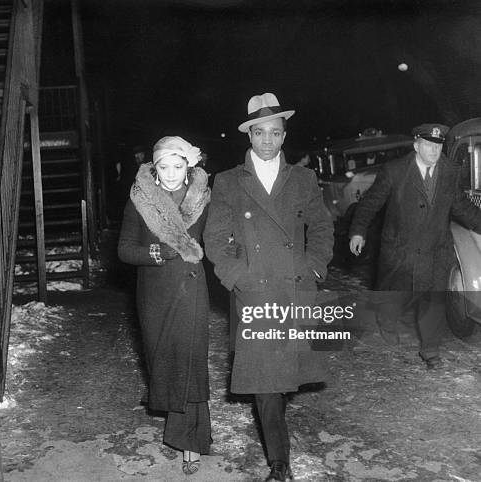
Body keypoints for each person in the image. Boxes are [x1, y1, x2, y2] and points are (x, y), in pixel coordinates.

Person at [204, 93, 334, 481]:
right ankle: (280, 462)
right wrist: (237, 277)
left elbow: (322, 227)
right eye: (259, 132)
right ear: (249, 135)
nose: (266, 140)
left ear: (283, 135)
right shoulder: (228, 182)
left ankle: (279, 442)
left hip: (295, 287)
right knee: (266, 382)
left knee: (285, 376)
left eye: (274, 133)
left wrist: (314, 267)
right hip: (255, 291)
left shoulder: (303, 178)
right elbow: (215, 238)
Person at [349, 123, 481, 369]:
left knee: (433, 301)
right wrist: (358, 232)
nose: (434, 151)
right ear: (416, 145)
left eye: (438, 145)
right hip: (400, 249)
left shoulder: (450, 172)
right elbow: (370, 203)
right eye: (429, 145)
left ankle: (430, 352)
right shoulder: (395, 171)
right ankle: (386, 321)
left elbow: (462, 207)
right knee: (394, 297)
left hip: (436, 249)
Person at [117, 136, 212, 475]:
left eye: (178, 166)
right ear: (153, 169)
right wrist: (156, 253)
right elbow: (124, 250)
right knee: (165, 359)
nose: (171, 174)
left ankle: (192, 442)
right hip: (154, 292)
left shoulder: (203, 197)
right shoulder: (139, 200)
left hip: (191, 289)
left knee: (191, 360)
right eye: (164, 167)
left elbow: (216, 239)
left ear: (189, 166)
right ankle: (180, 429)